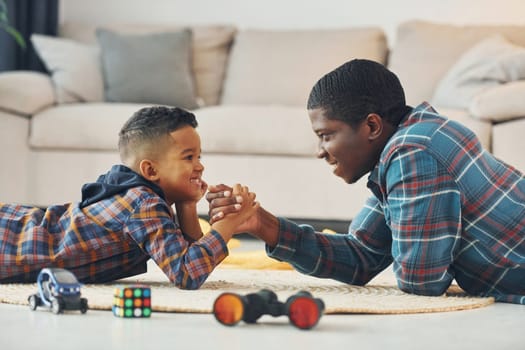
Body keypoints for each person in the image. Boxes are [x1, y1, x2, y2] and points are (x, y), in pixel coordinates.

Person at [206, 59, 525, 304]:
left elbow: (420, 282)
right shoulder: (408, 143)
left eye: (326, 136)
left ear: (372, 126)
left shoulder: (413, 153)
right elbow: (363, 256)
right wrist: (263, 224)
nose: (321, 152)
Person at [0, 106, 258, 289]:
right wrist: (229, 225)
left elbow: (187, 252)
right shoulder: (143, 204)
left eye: (199, 157)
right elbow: (188, 272)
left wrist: (187, 204)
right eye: (188, 157)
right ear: (150, 170)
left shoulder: (136, 194)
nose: (199, 166)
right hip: (10, 246)